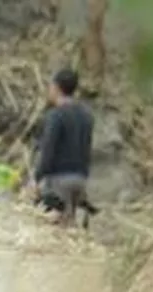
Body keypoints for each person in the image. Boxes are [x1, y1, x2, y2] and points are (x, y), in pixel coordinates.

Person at [34, 68, 94, 226]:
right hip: (80, 179)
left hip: (59, 180)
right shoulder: (86, 116)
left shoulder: (56, 116)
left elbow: (48, 150)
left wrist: (36, 178)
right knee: (72, 230)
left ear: (56, 87)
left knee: (54, 229)